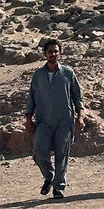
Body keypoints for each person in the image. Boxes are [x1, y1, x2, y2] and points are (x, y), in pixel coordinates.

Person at [24, 39, 84, 200]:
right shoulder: (38, 75)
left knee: (62, 154)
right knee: (39, 152)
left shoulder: (68, 73)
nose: (53, 54)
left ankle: (58, 187)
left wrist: (80, 117)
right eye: (50, 52)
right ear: (45, 54)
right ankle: (50, 176)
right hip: (44, 121)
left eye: (56, 51)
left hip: (64, 120)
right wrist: (28, 119)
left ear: (60, 53)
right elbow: (31, 98)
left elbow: (77, 97)